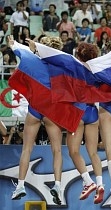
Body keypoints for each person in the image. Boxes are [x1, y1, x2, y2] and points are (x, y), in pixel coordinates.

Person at [8, 36, 63, 205]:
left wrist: (14, 44)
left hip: (34, 108)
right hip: (51, 111)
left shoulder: (31, 59)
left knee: (27, 149)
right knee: (57, 151)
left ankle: (20, 186)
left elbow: (18, 50)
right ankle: (58, 187)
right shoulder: (61, 64)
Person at [66, 43, 104, 204]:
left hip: (78, 111)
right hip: (93, 113)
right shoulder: (99, 70)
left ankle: (88, 181)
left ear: (79, 55)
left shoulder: (74, 68)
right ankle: (101, 184)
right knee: (93, 152)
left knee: (73, 151)